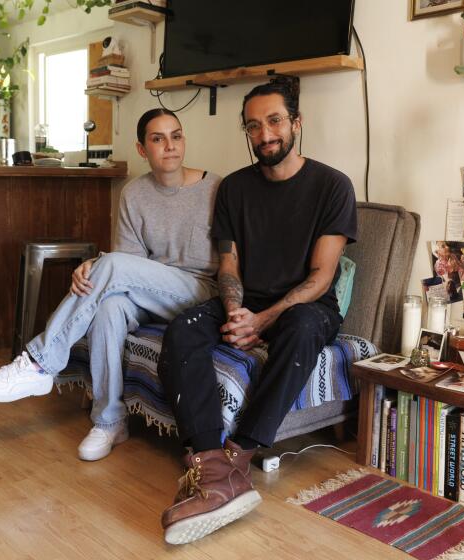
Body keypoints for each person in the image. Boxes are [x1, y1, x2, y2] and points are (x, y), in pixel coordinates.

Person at [155, 77, 357, 545]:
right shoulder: (235, 189)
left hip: (305, 306)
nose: (265, 134)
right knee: (182, 328)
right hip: (248, 301)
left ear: (296, 123)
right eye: (253, 126)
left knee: (304, 326)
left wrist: (263, 321)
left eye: (274, 121)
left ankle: (241, 453)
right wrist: (235, 312)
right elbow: (229, 265)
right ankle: (210, 461)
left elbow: (322, 277)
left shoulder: (332, 186)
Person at [0, 109, 222, 461]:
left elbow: (230, 260)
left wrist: (103, 264)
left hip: (199, 292)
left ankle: (39, 363)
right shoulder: (134, 194)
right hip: (150, 292)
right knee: (108, 307)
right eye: (158, 138)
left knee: (111, 266)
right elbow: (131, 263)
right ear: (141, 148)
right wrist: (101, 266)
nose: (170, 146)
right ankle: (109, 420)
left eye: (176, 136)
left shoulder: (215, 188)